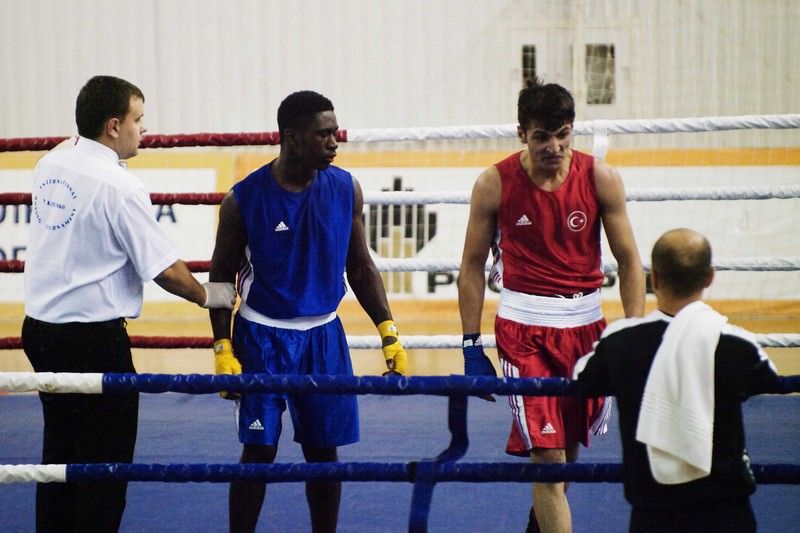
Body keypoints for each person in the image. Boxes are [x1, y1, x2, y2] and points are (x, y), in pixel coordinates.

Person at [22, 75, 236, 532]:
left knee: (60, 455)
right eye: (139, 119)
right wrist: (213, 294)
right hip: (92, 343)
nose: (145, 129)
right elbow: (166, 270)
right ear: (114, 126)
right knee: (106, 462)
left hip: (40, 333)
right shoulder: (120, 187)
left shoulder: (50, 163)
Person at [208, 90, 409, 533]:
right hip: (262, 337)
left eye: (335, 132)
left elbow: (361, 265)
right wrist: (222, 346)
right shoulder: (243, 200)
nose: (334, 142)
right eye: (323, 135)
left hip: (324, 337)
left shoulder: (346, 189)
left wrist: (388, 331)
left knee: (323, 453)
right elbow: (220, 279)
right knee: (259, 452)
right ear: (292, 137)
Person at [458, 78, 646, 533]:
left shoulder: (600, 177)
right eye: (542, 136)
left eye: (563, 135)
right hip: (525, 330)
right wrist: (470, 343)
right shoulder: (494, 183)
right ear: (522, 133)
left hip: (586, 328)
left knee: (568, 450)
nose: (554, 147)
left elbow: (629, 261)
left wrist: (634, 335)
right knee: (548, 456)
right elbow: (471, 265)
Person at [573, 228, 778, 532]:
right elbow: (770, 381)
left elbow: (582, 379)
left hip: (652, 511)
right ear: (709, 277)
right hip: (726, 510)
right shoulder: (737, 345)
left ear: (653, 279)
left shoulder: (620, 343)